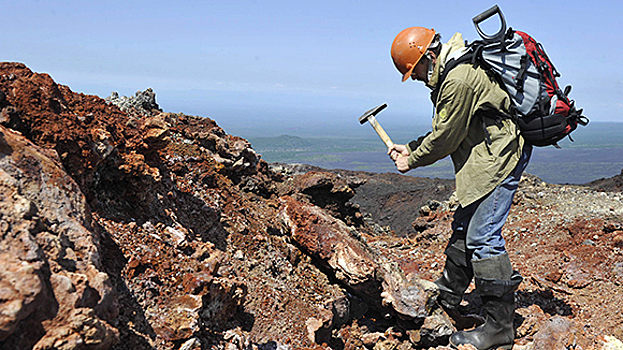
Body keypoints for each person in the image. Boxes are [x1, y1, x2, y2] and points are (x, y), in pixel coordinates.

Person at [387, 27, 533, 350]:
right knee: (465, 224)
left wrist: (411, 160)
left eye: (414, 71)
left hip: (500, 156)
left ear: (428, 57)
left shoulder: (458, 79)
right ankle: (449, 294)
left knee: (483, 236)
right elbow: (448, 128)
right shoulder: (452, 72)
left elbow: (445, 138)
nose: (415, 79)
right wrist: (410, 148)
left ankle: (499, 328)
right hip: (485, 155)